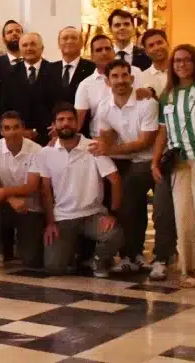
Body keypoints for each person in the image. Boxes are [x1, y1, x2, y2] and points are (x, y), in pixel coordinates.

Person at [92, 59, 170, 278]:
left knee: (162, 211)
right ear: (107, 82)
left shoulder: (148, 103)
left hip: (157, 160)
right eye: (115, 77)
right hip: (132, 163)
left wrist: (110, 149)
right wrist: (106, 148)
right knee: (127, 205)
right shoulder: (105, 106)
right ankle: (131, 256)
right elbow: (105, 139)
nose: (120, 81)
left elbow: (145, 142)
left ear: (132, 78)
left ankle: (162, 258)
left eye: (124, 76)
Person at [151, 44, 195, 288]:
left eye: (187, 60)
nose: (181, 64)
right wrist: (155, 161)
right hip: (177, 161)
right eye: (177, 61)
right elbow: (162, 131)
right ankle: (187, 268)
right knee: (182, 215)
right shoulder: (167, 95)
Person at [36, 103, 123, 277]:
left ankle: (99, 261)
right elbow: (45, 190)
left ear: (77, 123)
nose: (66, 123)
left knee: (114, 235)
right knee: (54, 267)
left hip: (93, 213)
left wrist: (113, 213)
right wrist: (50, 222)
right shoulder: (46, 153)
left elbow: (115, 180)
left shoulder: (93, 147)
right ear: (54, 125)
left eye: (70, 119)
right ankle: (76, 255)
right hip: (63, 217)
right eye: (61, 120)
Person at [0, 112, 44, 270]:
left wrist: (3, 192)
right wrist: (9, 198)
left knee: (31, 261)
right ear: (1, 131)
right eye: (7, 128)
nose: (12, 132)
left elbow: (32, 186)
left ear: (23, 128)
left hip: (30, 207)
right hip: (5, 206)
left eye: (16, 127)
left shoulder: (37, 150)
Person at [75, 34, 145, 137]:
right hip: (100, 142)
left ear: (114, 52)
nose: (104, 52)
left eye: (108, 48)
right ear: (92, 56)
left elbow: (147, 99)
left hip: (135, 139)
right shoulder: (85, 85)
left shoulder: (134, 72)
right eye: (99, 50)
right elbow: (78, 122)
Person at [3, 33, 63, 145]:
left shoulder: (56, 71)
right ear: (20, 49)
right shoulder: (9, 73)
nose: (29, 48)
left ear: (42, 48)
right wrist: (22, 130)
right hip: (18, 135)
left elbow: (60, 103)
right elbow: (6, 105)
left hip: (49, 136)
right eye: (25, 45)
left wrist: (56, 126)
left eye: (33, 44)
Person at [54, 26, 96, 106]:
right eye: (65, 38)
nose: (69, 41)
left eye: (74, 38)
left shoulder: (92, 68)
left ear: (81, 43)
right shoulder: (50, 69)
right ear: (59, 44)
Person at [140, 29, 170, 97]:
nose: (157, 47)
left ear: (167, 43)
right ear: (146, 52)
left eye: (159, 43)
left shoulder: (181, 72)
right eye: (151, 45)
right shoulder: (141, 78)